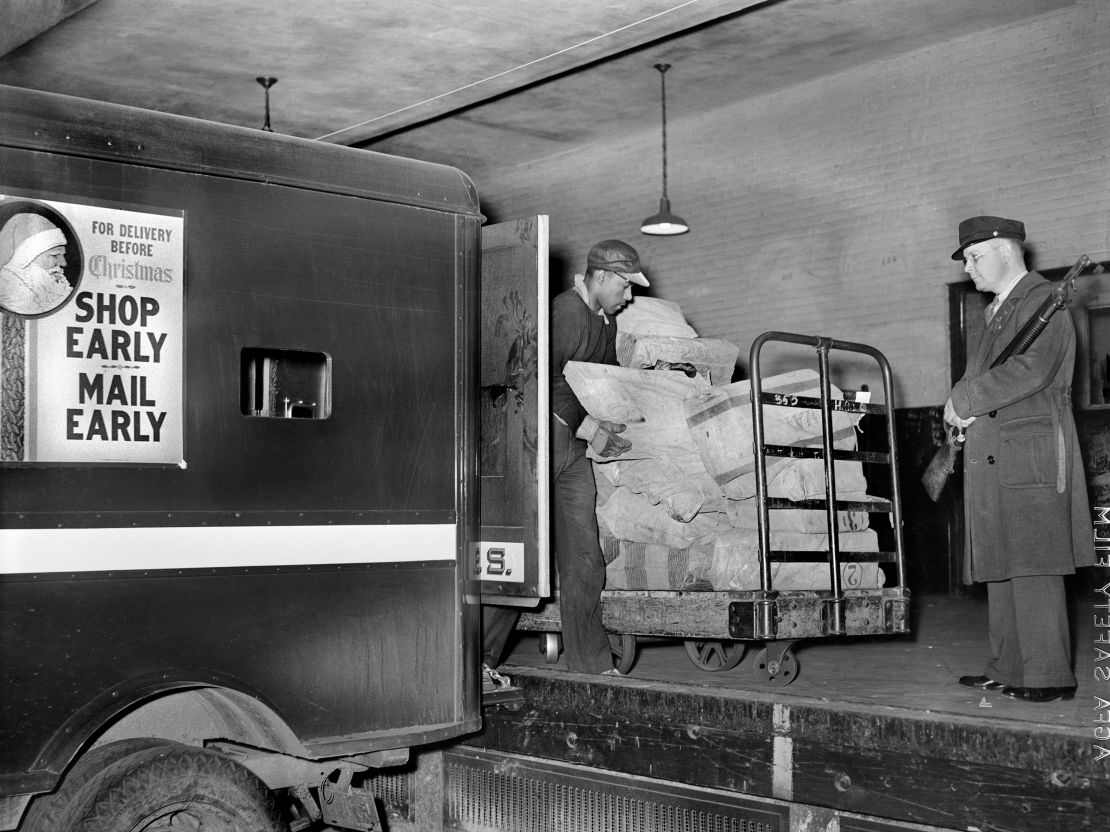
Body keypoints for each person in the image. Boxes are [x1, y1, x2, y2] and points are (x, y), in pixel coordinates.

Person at [482, 239, 648, 691]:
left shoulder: (604, 324)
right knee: (525, 560)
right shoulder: (565, 312)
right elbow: (530, 377)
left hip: (573, 450)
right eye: (625, 286)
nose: (629, 296)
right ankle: (479, 660)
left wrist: (619, 412)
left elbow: (601, 380)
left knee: (584, 558)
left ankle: (591, 666)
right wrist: (582, 427)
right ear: (602, 277)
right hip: (538, 442)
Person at [944, 215, 1095, 703]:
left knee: (1033, 561)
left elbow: (1031, 369)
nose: (968, 267)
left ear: (1005, 250)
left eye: (974, 256)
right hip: (995, 450)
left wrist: (962, 401)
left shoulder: (1042, 301)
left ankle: (1048, 674)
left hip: (1029, 450)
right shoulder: (997, 311)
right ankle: (1009, 667)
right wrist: (963, 416)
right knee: (1002, 560)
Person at [0, 213, 72, 316]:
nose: (63, 263)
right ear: (28, 257)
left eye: (62, 255)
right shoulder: (7, 289)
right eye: (55, 255)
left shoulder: (52, 285)